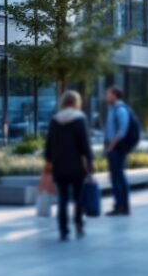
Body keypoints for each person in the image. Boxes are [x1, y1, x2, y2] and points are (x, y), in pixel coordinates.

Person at [43, 90, 94, 241]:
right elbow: (85, 144)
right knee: (78, 197)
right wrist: (90, 162)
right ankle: (78, 224)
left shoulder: (55, 120)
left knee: (63, 199)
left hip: (59, 165)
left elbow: (49, 145)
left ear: (63, 102)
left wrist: (48, 162)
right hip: (77, 165)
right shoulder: (80, 119)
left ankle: (63, 230)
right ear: (76, 102)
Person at [104, 85, 133, 216]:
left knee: (118, 176)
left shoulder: (120, 109)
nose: (106, 96)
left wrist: (111, 145)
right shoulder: (113, 109)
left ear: (114, 95)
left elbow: (122, 130)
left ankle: (123, 206)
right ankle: (119, 206)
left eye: (108, 94)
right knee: (115, 177)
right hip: (113, 148)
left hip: (117, 149)